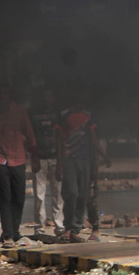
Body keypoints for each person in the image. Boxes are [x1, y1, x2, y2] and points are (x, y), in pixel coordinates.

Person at [0, 83, 39, 248]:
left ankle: (14, 230)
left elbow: (30, 135)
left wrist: (35, 158)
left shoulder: (20, 112)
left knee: (19, 198)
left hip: (18, 159)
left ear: (10, 96)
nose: (3, 97)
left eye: (5, 94)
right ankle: (8, 235)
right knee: (5, 197)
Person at [55, 93, 102, 243]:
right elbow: (59, 139)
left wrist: (100, 156)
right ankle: (69, 227)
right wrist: (59, 163)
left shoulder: (87, 115)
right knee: (72, 194)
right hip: (69, 159)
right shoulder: (64, 115)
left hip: (85, 160)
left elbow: (93, 137)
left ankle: (75, 229)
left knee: (83, 195)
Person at [28, 87, 63, 235]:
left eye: (49, 97)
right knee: (39, 194)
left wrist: (61, 161)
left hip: (55, 157)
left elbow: (60, 138)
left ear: (52, 99)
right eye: (44, 97)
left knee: (58, 194)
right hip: (40, 158)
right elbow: (31, 137)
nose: (46, 100)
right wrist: (33, 158)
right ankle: (39, 226)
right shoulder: (33, 115)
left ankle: (59, 225)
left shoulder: (57, 115)